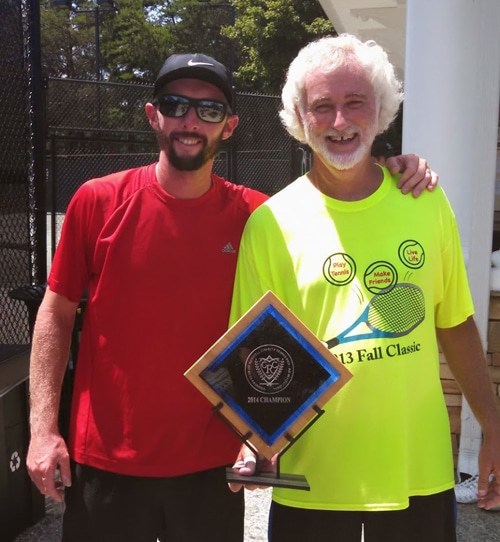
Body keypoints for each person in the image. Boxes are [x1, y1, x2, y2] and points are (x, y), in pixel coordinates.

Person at [26, 51, 437, 542]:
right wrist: (42, 429)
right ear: (152, 114)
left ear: (230, 126)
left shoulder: (258, 217)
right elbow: (56, 312)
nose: (191, 121)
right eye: (175, 105)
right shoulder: (96, 201)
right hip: (108, 463)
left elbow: (284, 321)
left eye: (210, 110)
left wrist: (394, 168)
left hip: (213, 470)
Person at [228, 34, 500, 542]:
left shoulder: (425, 201)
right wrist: (253, 440)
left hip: (417, 475)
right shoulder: (269, 224)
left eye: (355, 102)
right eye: (322, 107)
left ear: (382, 109)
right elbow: (254, 355)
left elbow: (456, 324)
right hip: (312, 483)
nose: (339, 121)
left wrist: (493, 427)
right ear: (299, 118)